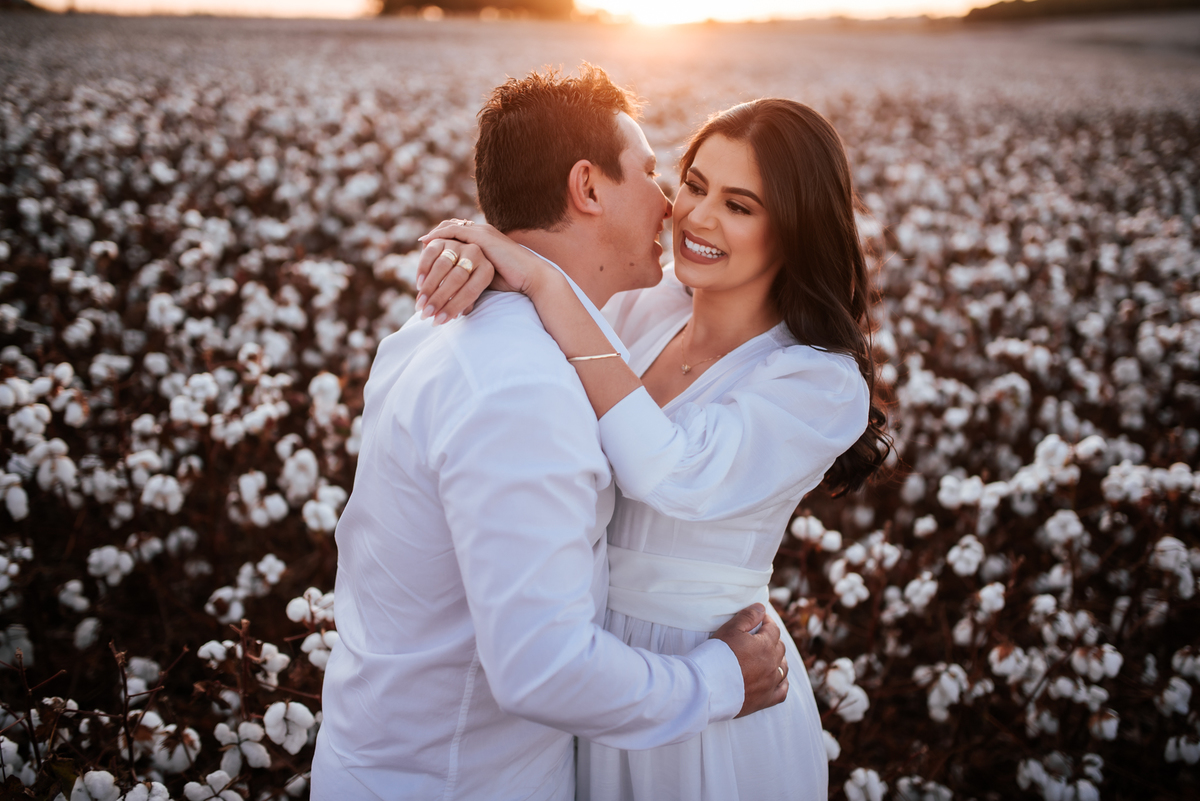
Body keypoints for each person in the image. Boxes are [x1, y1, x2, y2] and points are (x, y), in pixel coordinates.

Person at [309, 67, 790, 801]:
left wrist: (484, 244)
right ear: (588, 188)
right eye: (654, 174)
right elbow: (543, 665)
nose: (670, 205)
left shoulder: (439, 328)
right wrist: (721, 677)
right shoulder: (525, 387)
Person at [417, 97, 891, 801]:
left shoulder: (819, 379)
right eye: (694, 184)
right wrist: (471, 245)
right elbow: (548, 286)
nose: (696, 216)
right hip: (587, 673)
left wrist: (539, 277)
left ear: (793, 230)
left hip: (718, 683)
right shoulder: (645, 305)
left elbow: (671, 471)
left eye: (740, 205)